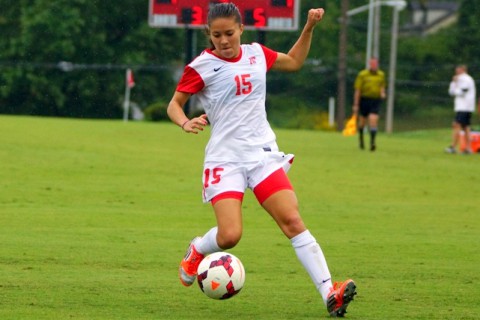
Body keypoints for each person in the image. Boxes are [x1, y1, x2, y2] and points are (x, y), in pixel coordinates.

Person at [167, 3, 356, 317]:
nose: (224, 41)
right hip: (225, 161)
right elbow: (174, 104)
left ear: (241, 29)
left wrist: (308, 27)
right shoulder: (201, 66)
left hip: (261, 155)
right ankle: (199, 248)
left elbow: (294, 62)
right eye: (217, 35)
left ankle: (329, 294)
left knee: (292, 221)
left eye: (229, 33)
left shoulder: (257, 54)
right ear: (208, 35)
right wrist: (185, 122)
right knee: (230, 236)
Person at [352, 57, 386, 151]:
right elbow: (358, 90)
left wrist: (382, 93)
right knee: (362, 122)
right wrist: (356, 104)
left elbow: (382, 86)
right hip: (364, 100)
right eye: (372, 64)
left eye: (375, 64)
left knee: (373, 119)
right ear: (370, 64)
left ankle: (372, 142)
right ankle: (361, 139)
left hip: (375, 100)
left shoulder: (381, 75)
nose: (374, 65)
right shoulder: (363, 75)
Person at [445, 64, 476, 154]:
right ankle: (468, 148)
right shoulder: (457, 79)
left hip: (465, 107)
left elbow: (463, 92)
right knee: (465, 127)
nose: (457, 72)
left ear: (463, 70)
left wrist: (456, 88)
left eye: (458, 70)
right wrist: (454, 82)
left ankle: (453, 147)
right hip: (460, 107)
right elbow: (451, 92)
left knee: (456, 124)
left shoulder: (466, 79)